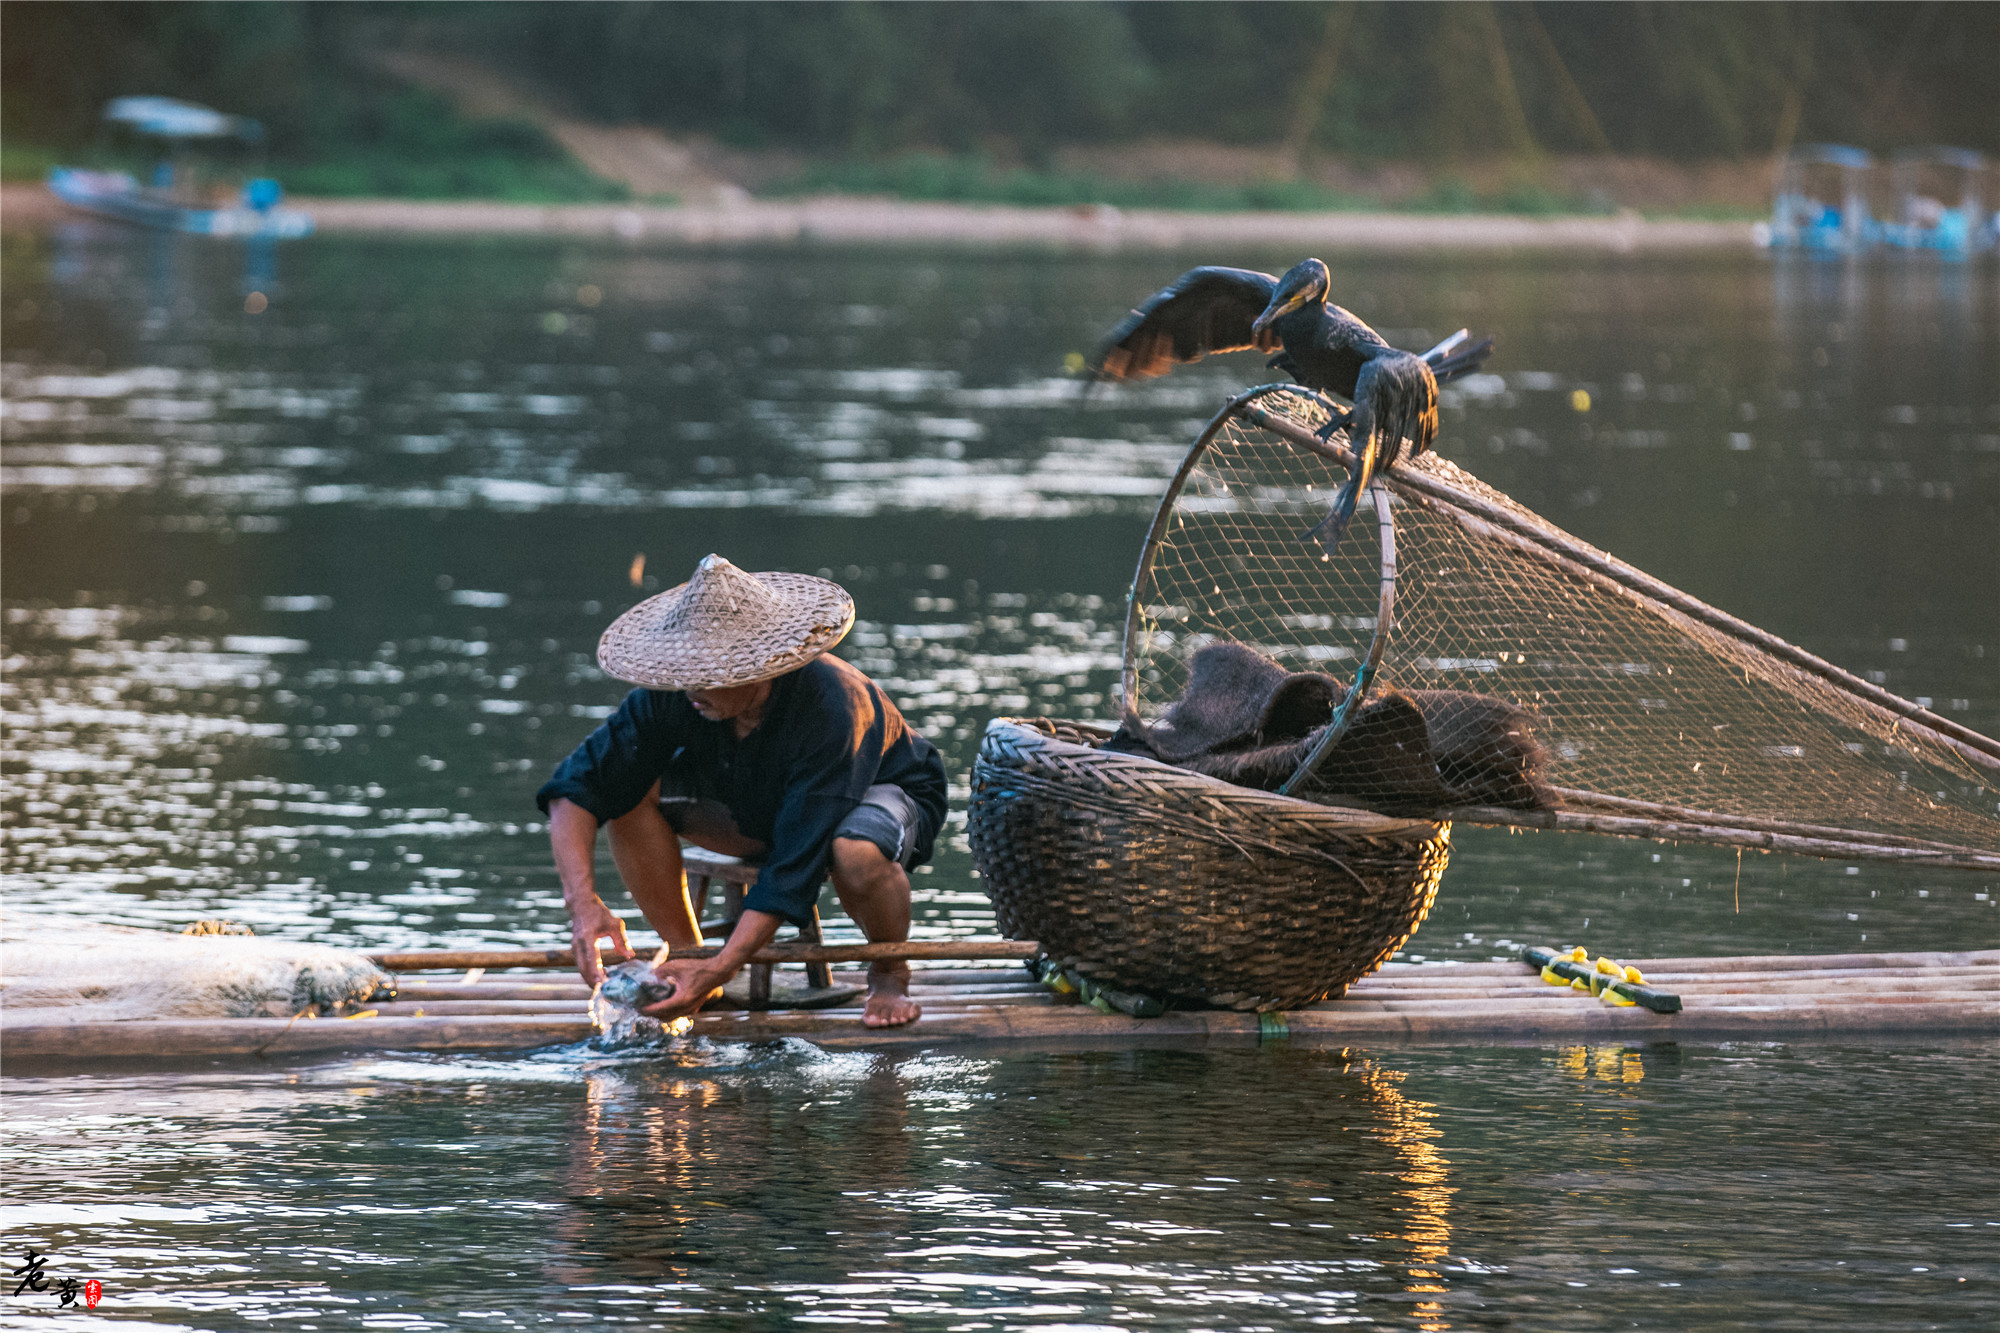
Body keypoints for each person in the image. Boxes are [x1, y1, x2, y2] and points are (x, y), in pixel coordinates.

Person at [537, 554, 948, 1027]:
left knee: (853, 849)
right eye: (686, 673)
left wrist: (725, 966)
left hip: (876, 793)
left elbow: (795, 861)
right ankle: (689, 954)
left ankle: (890, 971)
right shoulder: (678, 694)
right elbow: (576, 788)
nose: (692, 689)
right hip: (758, 797)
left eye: (712, 676)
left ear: (764, 669)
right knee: (625, 795)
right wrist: (582, 905)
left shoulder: (833, 706)